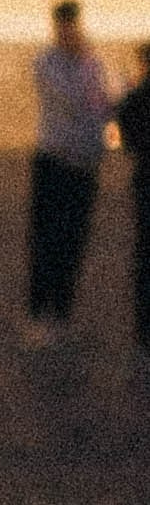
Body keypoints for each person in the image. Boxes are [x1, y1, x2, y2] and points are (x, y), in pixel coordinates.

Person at [26, 0, 111, 343]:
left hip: (84, 164)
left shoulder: (92, 62)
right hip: (53, 160)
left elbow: (102, 105)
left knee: (74, 240)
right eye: (64, 25)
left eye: (73, 24)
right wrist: (84, 71)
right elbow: (72, 100)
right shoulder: (46, 62)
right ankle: (38, 313)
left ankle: (62, 312)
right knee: (45, 239)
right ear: (56, 26)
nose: (70, 31)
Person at [114, 46, 150, 362]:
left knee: (146, 254)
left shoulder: (137, 97)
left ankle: (144, 330)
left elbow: (126, 138)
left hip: (147, 179)